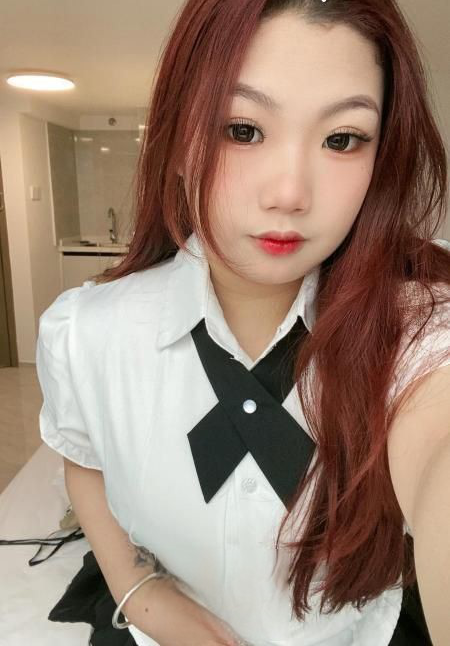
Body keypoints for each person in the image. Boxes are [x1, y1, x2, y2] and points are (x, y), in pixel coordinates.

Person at [35, 0, 450, 644]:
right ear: (179, 141)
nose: (290, 193)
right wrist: (137, 591)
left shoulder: (417, 329)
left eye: (342, 139)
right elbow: (84, 458)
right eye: (243, 130)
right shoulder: (86, 331)